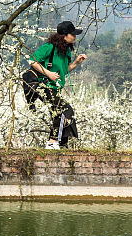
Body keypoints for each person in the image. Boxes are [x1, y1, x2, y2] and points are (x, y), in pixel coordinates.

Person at [23, 20, 88, 148]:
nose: (74, 37)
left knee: (61, 113)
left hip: (55, 88)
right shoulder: (50, 47)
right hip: (43, 86)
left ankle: (62, 144)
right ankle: (53, 142)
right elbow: (32, 61)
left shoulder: (66, 52)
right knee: (64, 109)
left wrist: (76, 63)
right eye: (72, 34)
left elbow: (64, 71)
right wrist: (49, 74)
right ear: (64, 35)